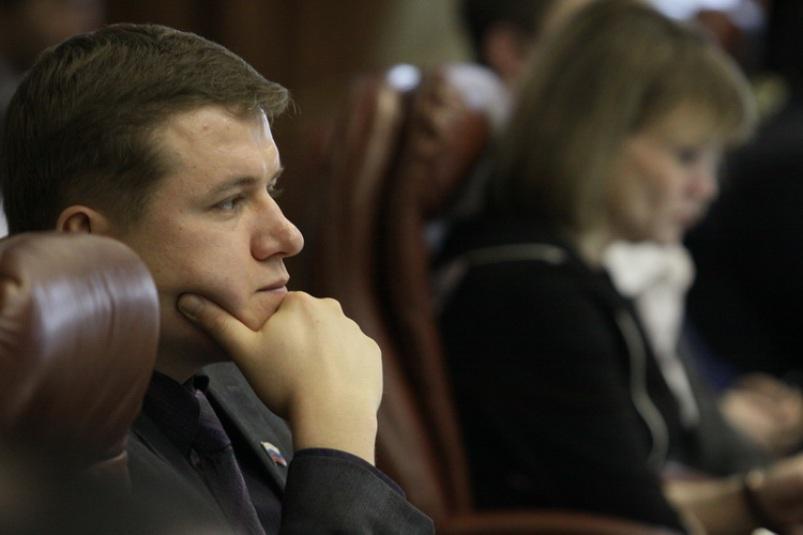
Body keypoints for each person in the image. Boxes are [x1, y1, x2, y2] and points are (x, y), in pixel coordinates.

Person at [0, 23, 433, 534]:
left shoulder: (248, 370)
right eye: (229, 202)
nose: (287, 236)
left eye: (272, 188)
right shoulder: (47, 474)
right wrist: (340, 444)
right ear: (86, 243)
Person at [437, 1, 803, 533]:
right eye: (686, 156)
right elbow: (636, 520)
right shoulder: (530, 293)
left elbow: (647, 479)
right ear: (597, 136)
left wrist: (764, 490)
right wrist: (760, 500)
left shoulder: (575, 268)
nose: (707, 187)